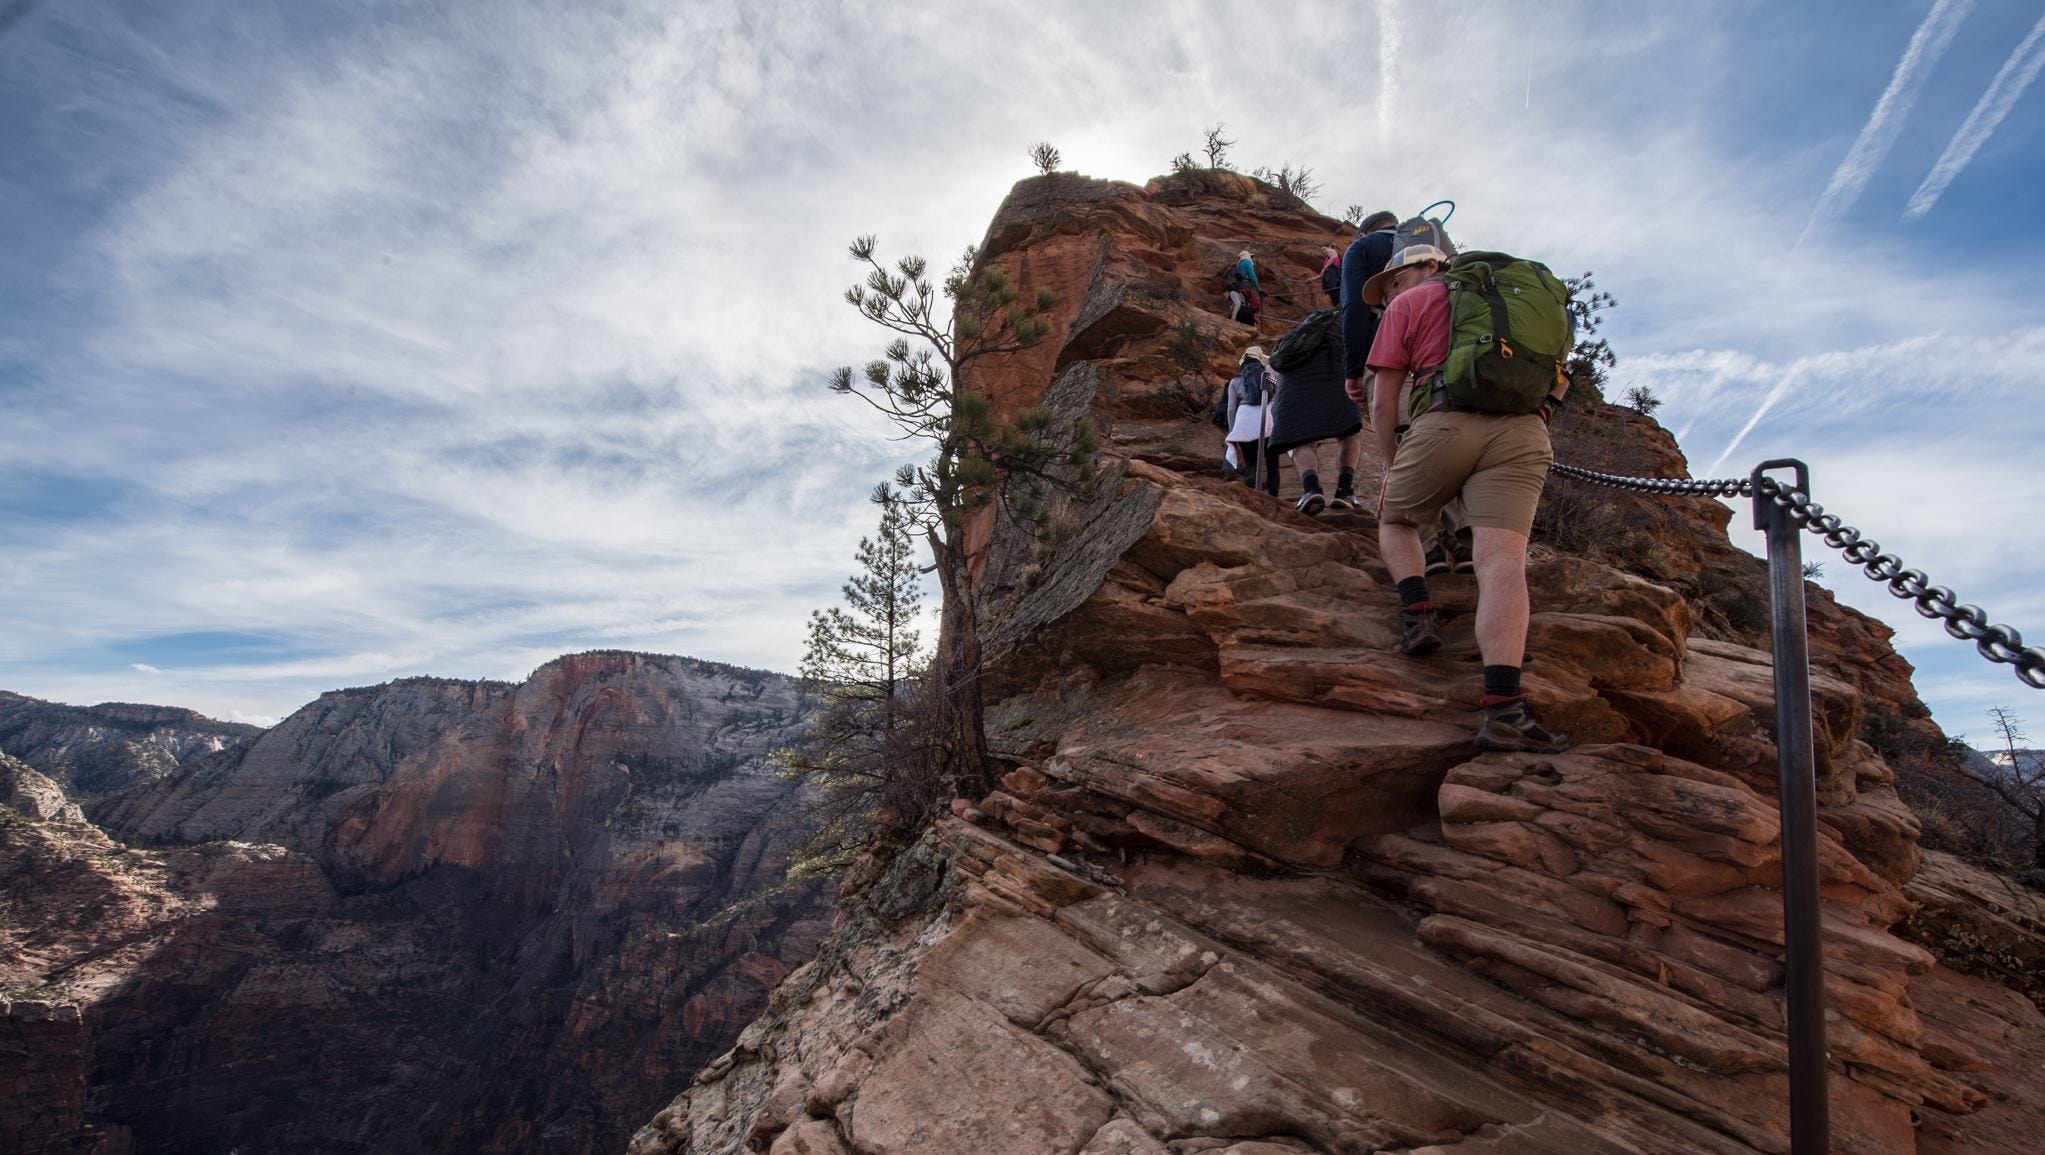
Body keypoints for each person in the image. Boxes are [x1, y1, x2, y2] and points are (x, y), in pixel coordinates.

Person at [1362, 244, 1570, 753]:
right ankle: (1505, 710)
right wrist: (1536, 416)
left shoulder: (1410, 304)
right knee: (1502, 561)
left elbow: (1383, 401)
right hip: (1523, 432)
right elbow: (1558, 377)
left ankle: (1417, 613)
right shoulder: (1526, 300)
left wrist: (1391, 464)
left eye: (1396, 278)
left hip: (1443, 420)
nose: (1392, 289)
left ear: (1431, 266)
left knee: (1396, 520)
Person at [1265, 313, 1361, 514]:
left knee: (1301, 439)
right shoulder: (1350, 320)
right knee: (1349, 432)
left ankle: (1311, 490)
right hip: (1333, 372)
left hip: (1291, 384)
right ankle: (1344, 491)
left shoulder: (1307, 328)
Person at [1225, 346, 1280, 495]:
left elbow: (1231, 409)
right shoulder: (1268, 373)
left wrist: (1233, 432)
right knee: (1272, 461)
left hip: (1245, 417)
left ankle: (1251, 493)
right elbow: (1277, 397)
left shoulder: (1235, 380)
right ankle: (1273, 494)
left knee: (1250, 460)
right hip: (1267, 415)